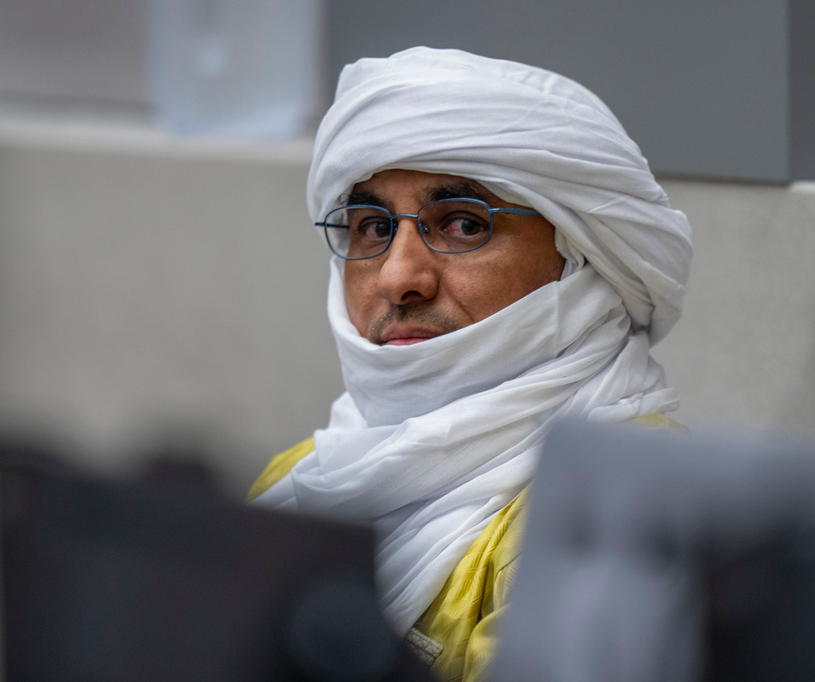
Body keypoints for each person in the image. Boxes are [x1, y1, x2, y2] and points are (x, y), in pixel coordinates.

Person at [247, 46, 693, 681]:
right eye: (372, 228)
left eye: (461, 224)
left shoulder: (621, 511)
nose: (400, 277)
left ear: (582, 258)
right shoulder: (304, 478)